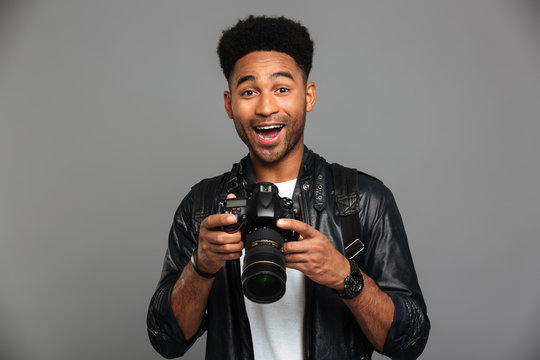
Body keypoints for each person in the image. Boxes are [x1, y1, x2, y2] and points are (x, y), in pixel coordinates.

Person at [147, 15, 430, 360]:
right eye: (249, 92)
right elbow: (167, 340)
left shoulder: (360, 201)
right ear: (228, 104)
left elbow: (410, 341)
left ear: (308, 96)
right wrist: (201, 265)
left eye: (282, 89)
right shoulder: (205, 206)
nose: (266, 107)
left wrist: (344, 275)